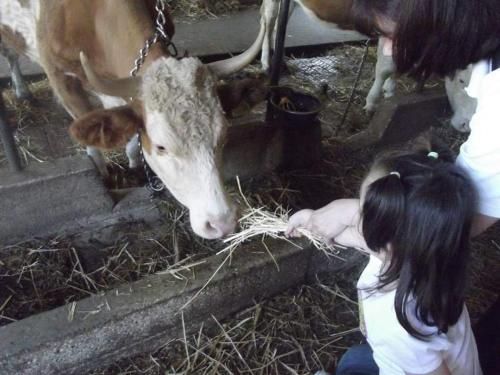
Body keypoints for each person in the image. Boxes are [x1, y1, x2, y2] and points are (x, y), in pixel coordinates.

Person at [305, 0, 500, 372]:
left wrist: (348, 214)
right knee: (355, 360)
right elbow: (409, 234)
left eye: (388, 34)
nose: (388, 50)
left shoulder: (401, 324)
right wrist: (341, 219)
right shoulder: (426, 275)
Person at [288, 146, 482, 374]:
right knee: (354, 359)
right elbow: (361, 238)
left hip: (406, 358)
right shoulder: (425, 258)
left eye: (363, 213)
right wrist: (312, 222)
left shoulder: (399, 328)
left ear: (384, 238)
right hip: (398, 359)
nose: (353, 219)